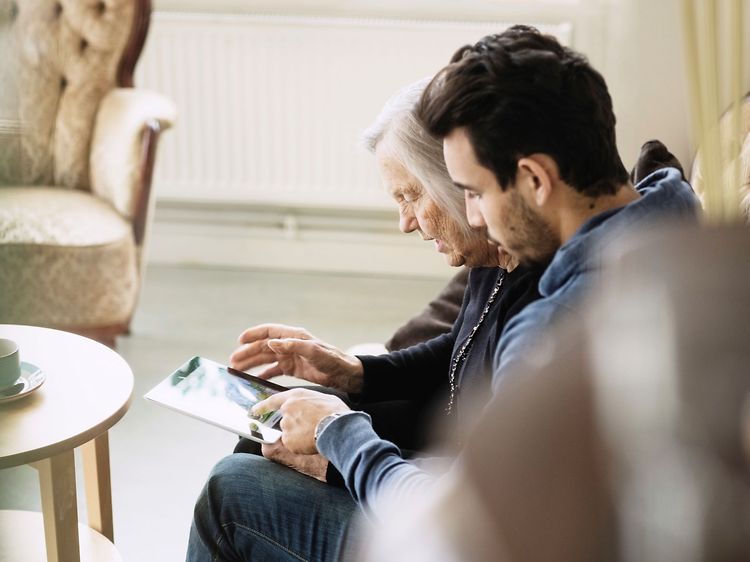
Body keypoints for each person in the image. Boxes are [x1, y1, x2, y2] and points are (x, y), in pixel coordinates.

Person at [187, 26, 700, 561]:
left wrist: (342, 436)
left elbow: (464, 528)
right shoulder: (667, 216)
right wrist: (357, 374)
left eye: (473, 192)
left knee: (230, 491)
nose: (472, 215)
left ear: (534, 178)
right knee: (271, 436)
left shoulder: (553, 329)